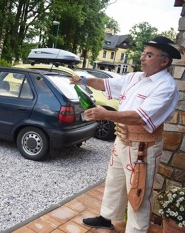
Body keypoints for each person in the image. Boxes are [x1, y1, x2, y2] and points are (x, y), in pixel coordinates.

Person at [71, 36, 181, 232]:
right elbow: (105, 84)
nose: (143, 57)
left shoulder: (166, 86)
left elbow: (141, 117)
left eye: (149, 55)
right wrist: (84, 79)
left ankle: (136, 230)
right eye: (143, 53)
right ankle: (107, 217)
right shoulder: (134, 77)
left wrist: (107, 114)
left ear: (164, 61)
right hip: (122, 139)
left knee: (138, 192)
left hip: (143, 148)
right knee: (115, 181)